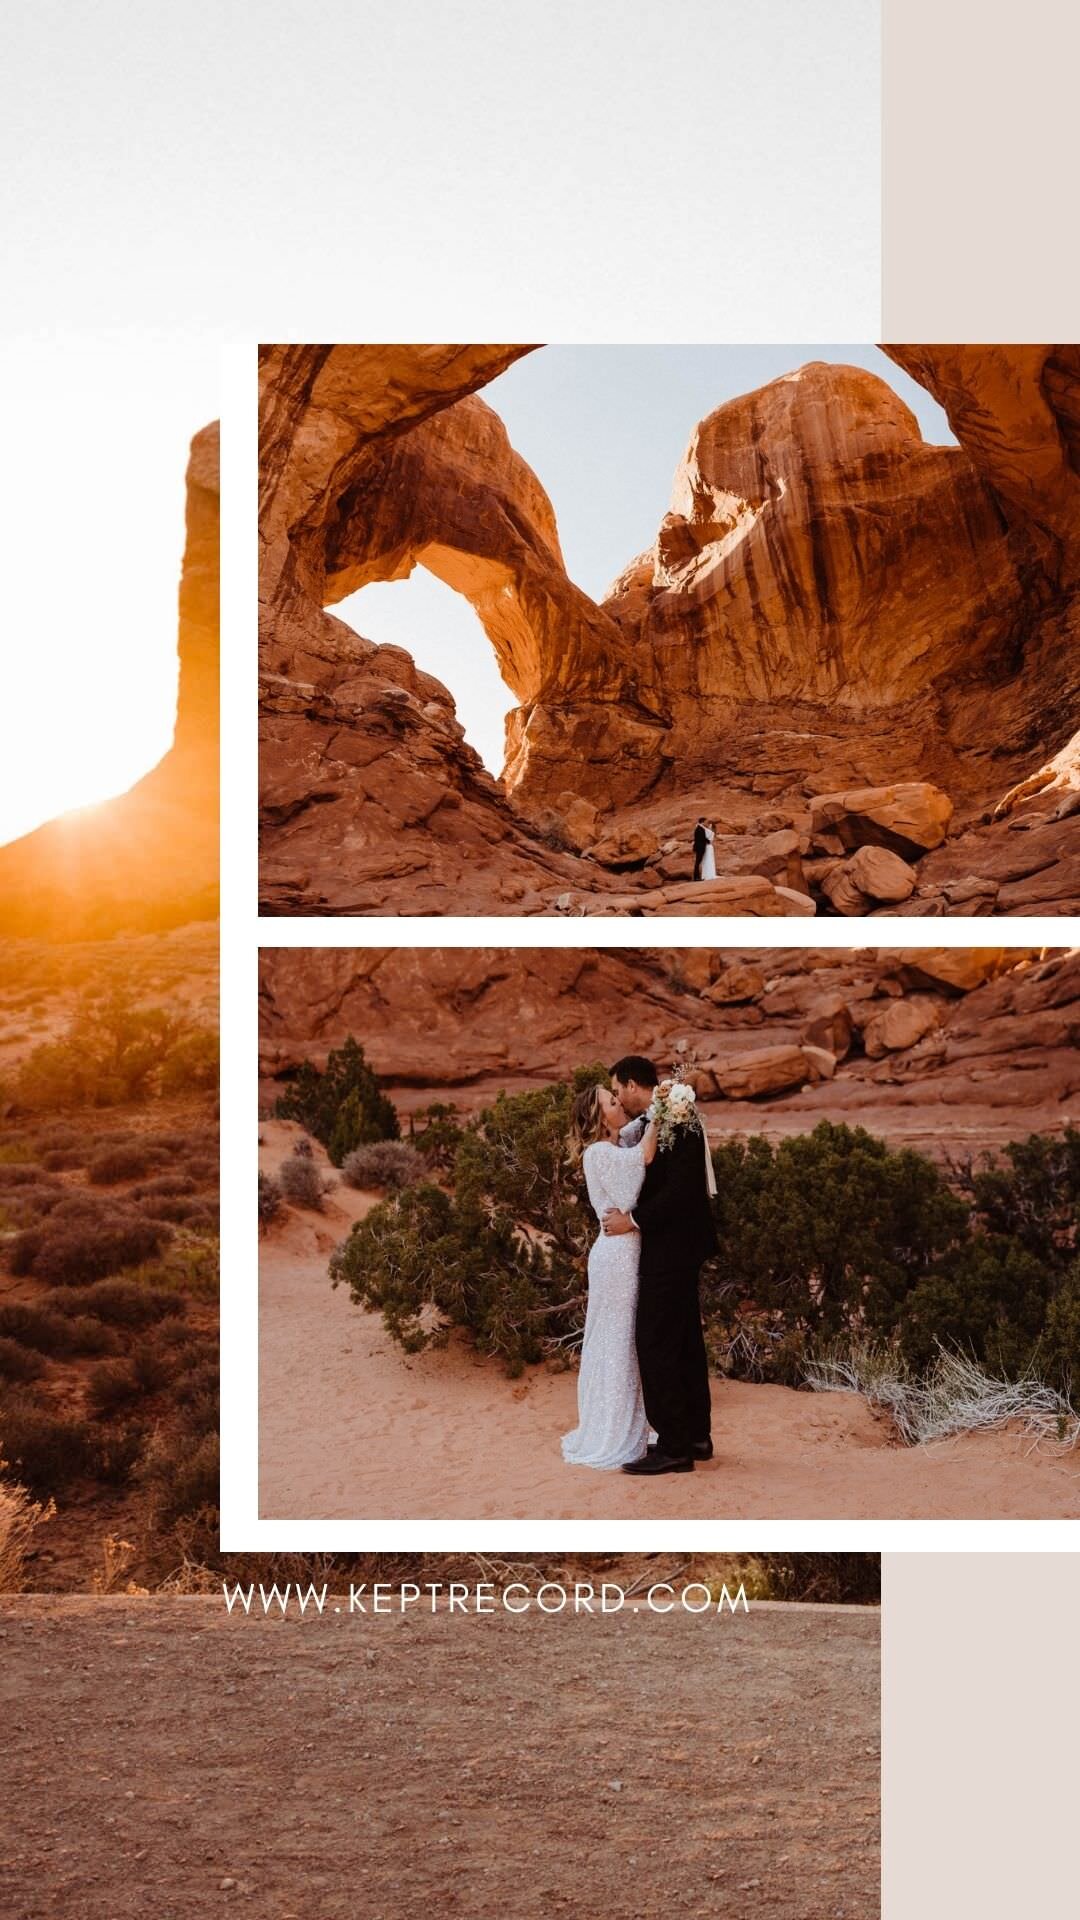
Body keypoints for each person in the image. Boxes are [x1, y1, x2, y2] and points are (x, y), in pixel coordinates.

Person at [603, 1055, 718, 1475]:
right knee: (685, 1342)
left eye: (618, 1090)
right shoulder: (665, 1115)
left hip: (670, 1249)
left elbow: (682, 1192)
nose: (617, 1097)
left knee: (656, 1343)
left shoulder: (678, 1116)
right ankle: (695, 1435)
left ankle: (673, 1446)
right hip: (683, 1247)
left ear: (633, 1085)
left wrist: (632, 1220)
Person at [561, 1084, 659, 1469]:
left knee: (625, 1339)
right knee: (617, 1340)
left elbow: (637, 1136)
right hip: (617, 1256)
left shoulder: (615, 1145)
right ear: (601, 1117)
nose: (620, 1104)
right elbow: (643, 1160)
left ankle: (628, 1421)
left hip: (624, 1252)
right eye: (612, 1102)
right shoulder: (600, 1152)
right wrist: (665, 1109)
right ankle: (614, 1429)